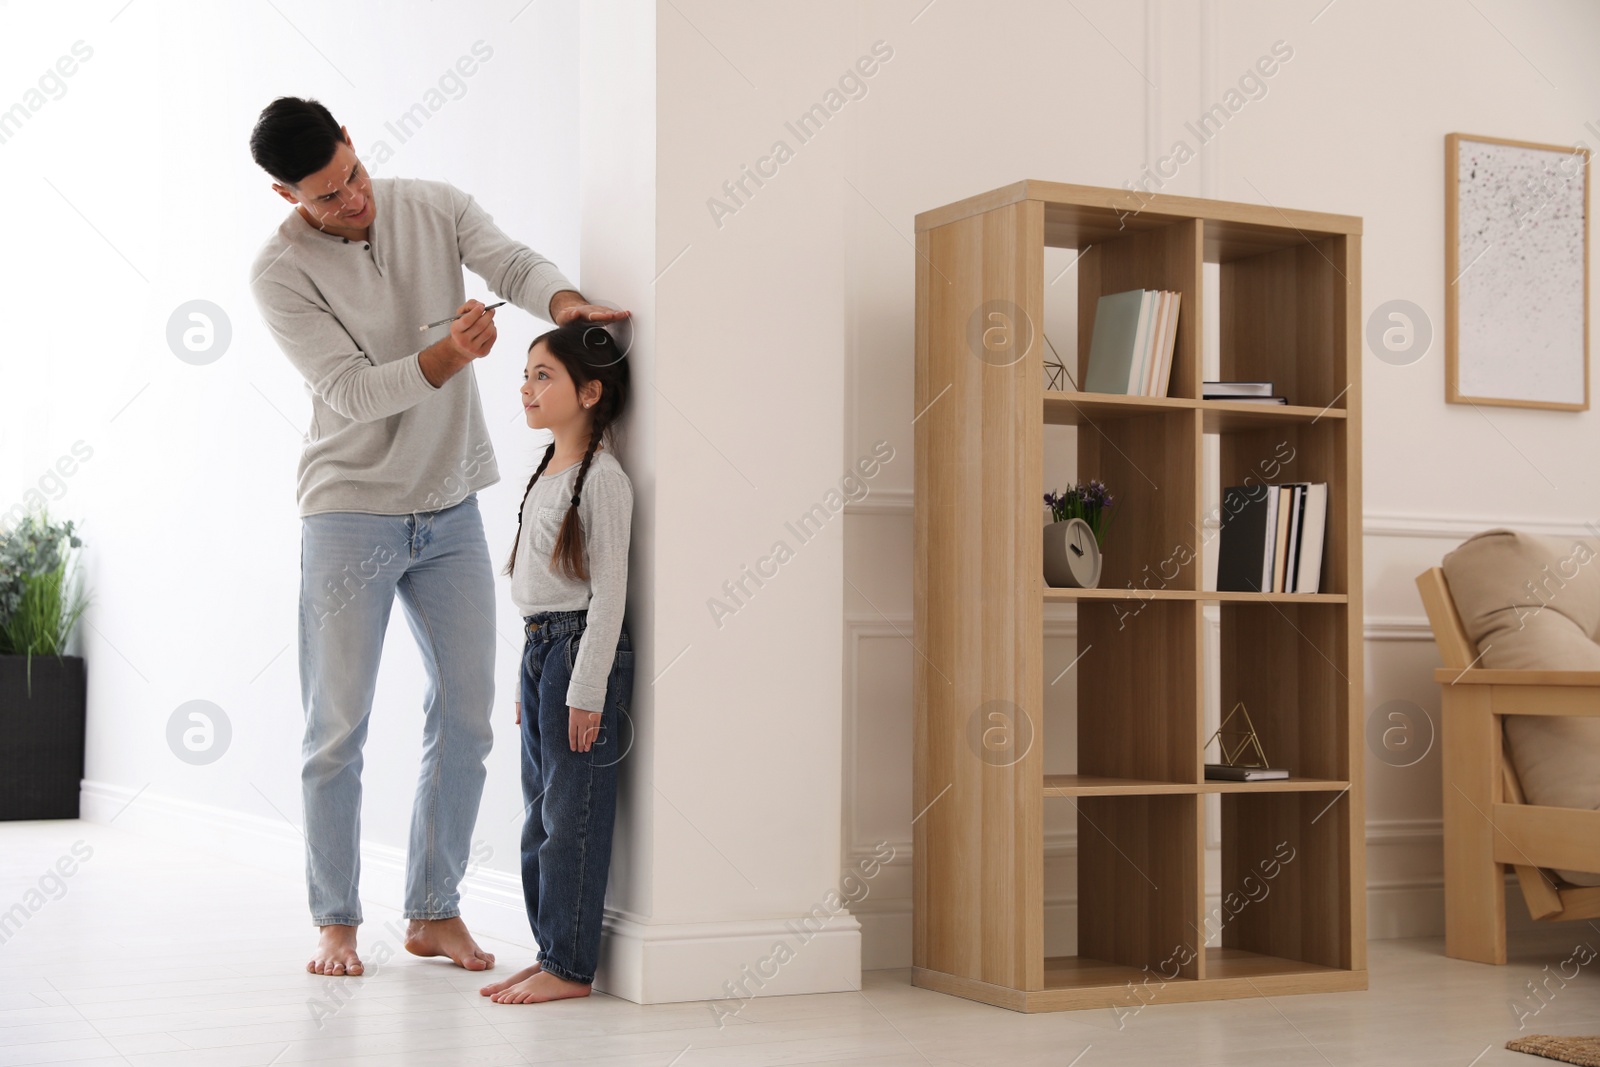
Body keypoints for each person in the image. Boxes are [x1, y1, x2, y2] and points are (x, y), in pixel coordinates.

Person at [246, 96, 629, 977]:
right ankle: (336, 920)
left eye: (351, 176)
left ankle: (432, 909)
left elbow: (511, 260)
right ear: (284, 195)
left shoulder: (432, 203)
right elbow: (350, 392)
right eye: (324, 199)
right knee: (335, 724)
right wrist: (450, 359)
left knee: (467, 715)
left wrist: (568, 306)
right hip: (348, 511)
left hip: (449, 503)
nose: (351, 202)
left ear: (351, 141)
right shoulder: (279, 274)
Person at [478, 320, 634, 1004]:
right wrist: (529, 675)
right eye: (526, 373)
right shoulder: (547, 470)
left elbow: (609, 594)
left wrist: (586, 687)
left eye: (545, 374)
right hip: (542, 649)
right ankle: (550, 951)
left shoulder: (603, 479)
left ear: (591, 390)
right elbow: (536, 587)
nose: (527, 387)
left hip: (577, 653)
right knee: (538, 817)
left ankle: (570, 967)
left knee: (570, 817)